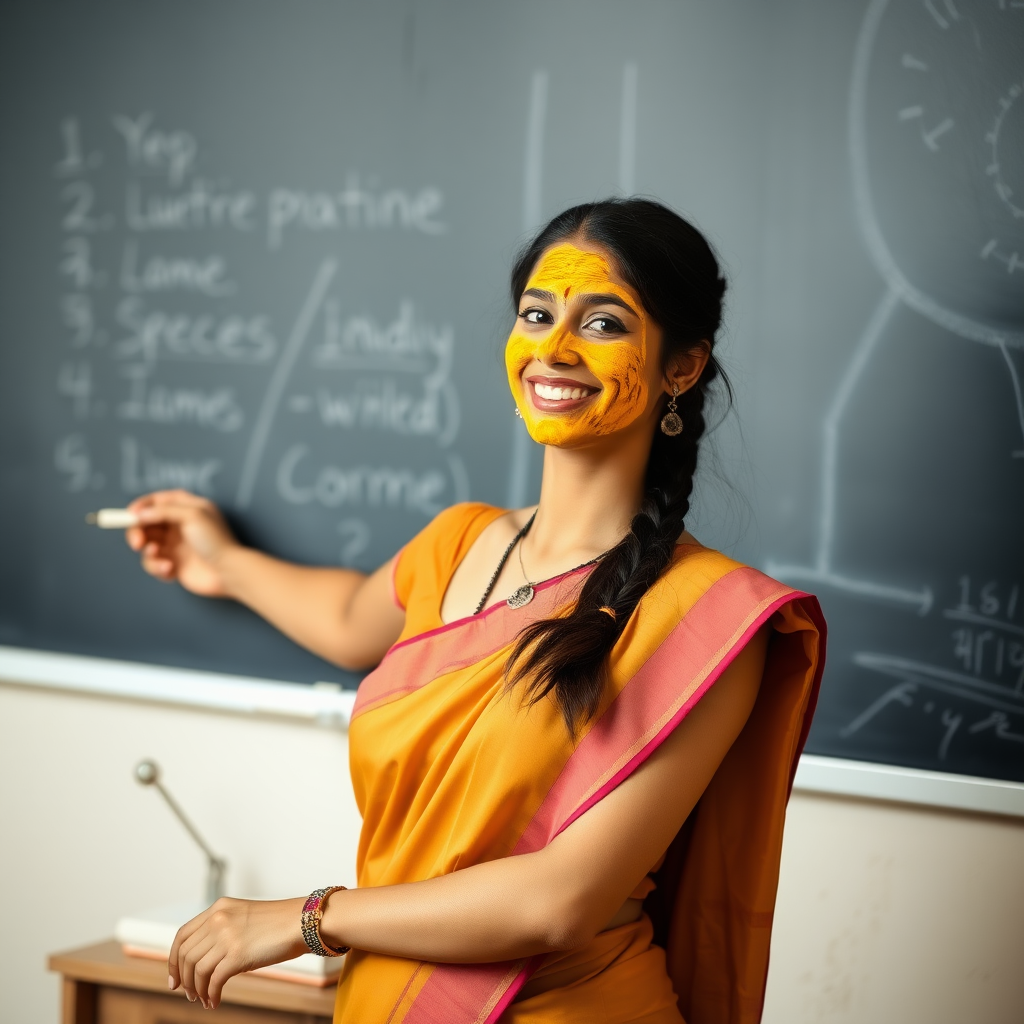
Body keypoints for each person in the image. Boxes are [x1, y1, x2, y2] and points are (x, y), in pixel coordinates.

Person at [125, 198, 824, 1024]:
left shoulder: (710, 619)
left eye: (602, 323)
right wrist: (225, 562)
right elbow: (350, 617)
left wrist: (308, 918)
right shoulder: (461, 543)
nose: (553, 350)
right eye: (535, 314)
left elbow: (559, 901)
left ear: (682, 366)